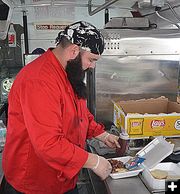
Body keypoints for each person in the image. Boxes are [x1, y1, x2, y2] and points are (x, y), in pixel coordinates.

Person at [1, 21, 121, 194]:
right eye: (91, 60)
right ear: (74, 51)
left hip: (62, 178)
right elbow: (48, 144)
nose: (92, 66)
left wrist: (100, 133)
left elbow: (78, 113)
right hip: (34, 183)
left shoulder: (67, 72)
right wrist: (93, 161)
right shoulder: (39, 80)